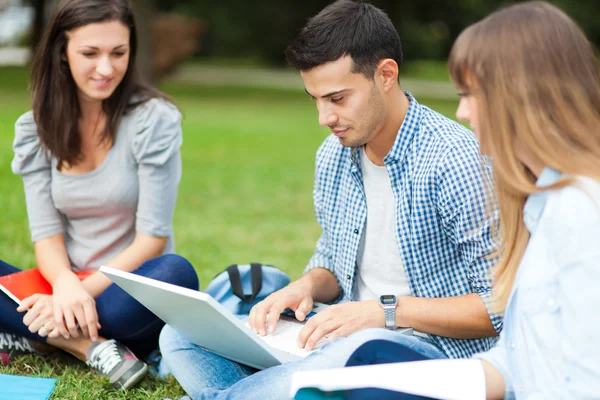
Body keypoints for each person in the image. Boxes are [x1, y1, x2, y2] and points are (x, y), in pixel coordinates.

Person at [159, 1, 501, 398]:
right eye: (315, 99)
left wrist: (384, 312)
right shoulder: (333, 154)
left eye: (337, 99)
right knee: (179, 336)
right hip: (336, 331)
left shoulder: (454, 159)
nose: (325, 117)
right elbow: (333, 260)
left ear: (386, 75)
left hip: (426, 350)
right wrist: (303, 286)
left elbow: (497, 308)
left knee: (352, 351)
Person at [334, 1, 600, 399]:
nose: (461, 112)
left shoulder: (582, 211)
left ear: (521, 97)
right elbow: (515, 364)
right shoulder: (538, 203)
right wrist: (387, 385)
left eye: (470, 95)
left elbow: (585, 379)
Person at [0, 0, 198, 390]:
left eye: (118, 53)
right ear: (62, 52)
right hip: (62, 285)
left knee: (177, 273)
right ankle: (85, 346)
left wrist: (79, 294)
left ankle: (35, 331)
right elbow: (46, 236)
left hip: (122, 292)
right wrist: (65, 287)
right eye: (90, 53)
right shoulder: (35, 129)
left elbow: (152, 240)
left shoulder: (153, 120)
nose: (106, 68)